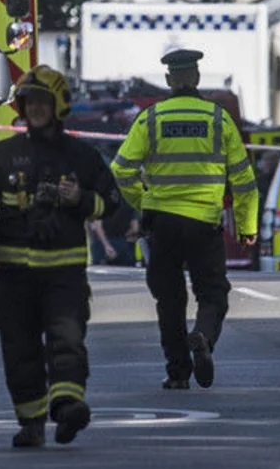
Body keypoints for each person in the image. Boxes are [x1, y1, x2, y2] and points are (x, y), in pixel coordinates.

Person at [0, 65, 122, 448]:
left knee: (67, 340)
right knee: (19, 351)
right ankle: (31, 422)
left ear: (58, 106)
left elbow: (113, 203)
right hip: (15, 275)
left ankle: (68, 407)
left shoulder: (82, 156)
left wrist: (80, 200)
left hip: (64, 273)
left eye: (42, 101)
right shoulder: (3, 155)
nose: (35, 108)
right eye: (29, 101)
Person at [110, 49, 259, 390]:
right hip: (204, 223)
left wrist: (143, 202)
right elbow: (243, 179)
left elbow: (120, 170)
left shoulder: (151, 118)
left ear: (169, 80)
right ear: (196, 78)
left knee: (169, 299)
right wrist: (247, 225)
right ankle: (203, 336)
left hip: (162, 224)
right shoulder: (219, 119)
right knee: (213, 292)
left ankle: (178, 373)